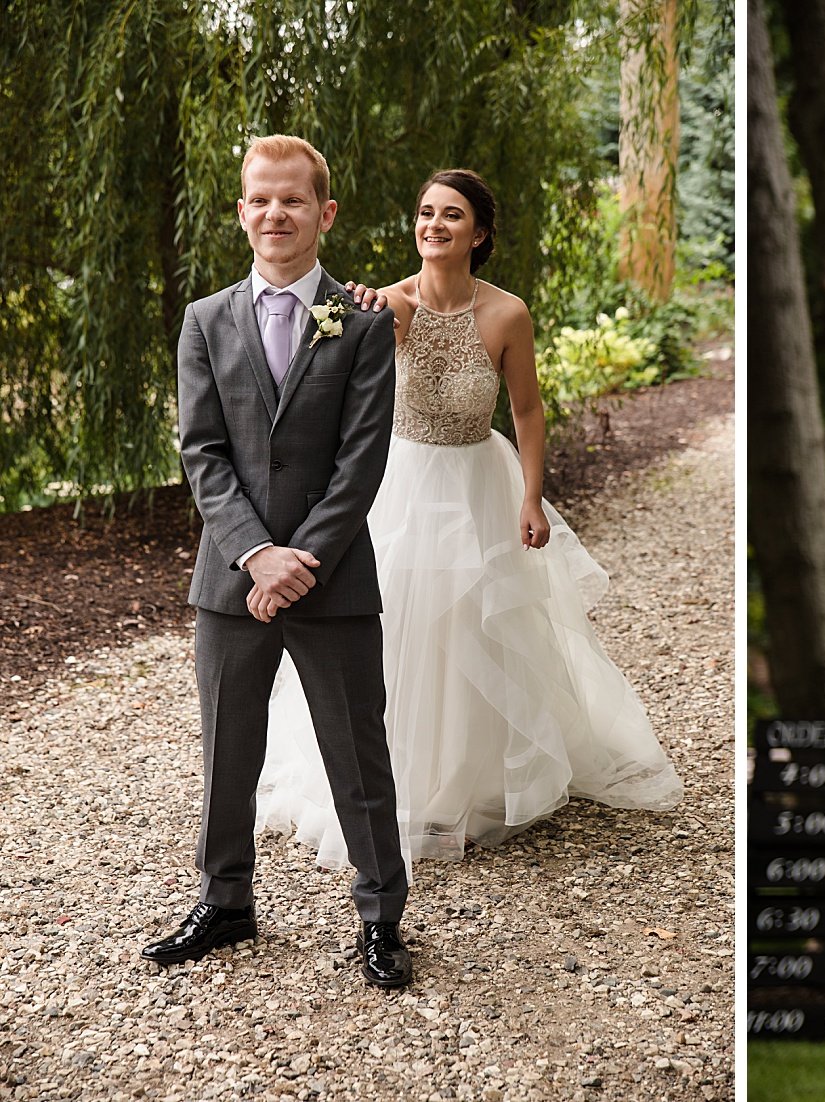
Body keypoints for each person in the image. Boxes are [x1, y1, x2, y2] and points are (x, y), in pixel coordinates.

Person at [253, 169, 682, 868]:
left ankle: (474, 787)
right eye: (425, 213)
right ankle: (388, 788)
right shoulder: (383, 306)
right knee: (400, 625)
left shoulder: (506, 314)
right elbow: (323, 391)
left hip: (481, 478)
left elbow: (527, 411)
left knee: (478, 630)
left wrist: (531, 497)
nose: (434, 226)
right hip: (401, 483)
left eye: (451, 216)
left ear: (478, 233)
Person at [150, 134, 412, 988]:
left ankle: (380, 917)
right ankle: (225, 902)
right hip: (232, 579)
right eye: (259, 198)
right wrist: (257, 556)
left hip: (333, 578)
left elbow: (362, 458)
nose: (275, 213)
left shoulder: (364, 322)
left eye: (292, 199)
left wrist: (303, 559)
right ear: (240, 211)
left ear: (324, 213)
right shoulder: (204, 320)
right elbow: (203, 454)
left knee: (357, 753)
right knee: (229, 750)